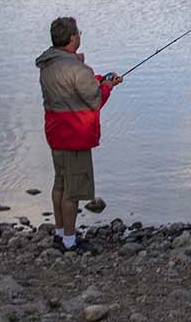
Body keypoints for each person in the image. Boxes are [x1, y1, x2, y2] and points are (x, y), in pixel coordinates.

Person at [36, 16, 122, 253]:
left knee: (60, 183)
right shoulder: (77, 68)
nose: (80, 35)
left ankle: (60, 231)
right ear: (73, 38)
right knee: (72, 191)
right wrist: (108, 85)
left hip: (56, 133)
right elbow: (94, 99)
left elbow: (73, 89)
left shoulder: (48, 65)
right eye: (78, 32)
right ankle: (70, 240)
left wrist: (93, 77)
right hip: (75, 134)